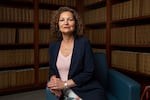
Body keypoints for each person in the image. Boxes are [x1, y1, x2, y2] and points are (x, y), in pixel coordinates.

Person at [47, 6, 106, 100]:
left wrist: (64, 84)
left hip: (85, 89)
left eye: (70, 19)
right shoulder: (53, 46)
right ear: (57, 25)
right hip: (64, 90)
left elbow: (89, 72)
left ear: (76, 24)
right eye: (62, 20)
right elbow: (52, 70)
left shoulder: (84, 43)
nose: (66, 22)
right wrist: (54, 82)